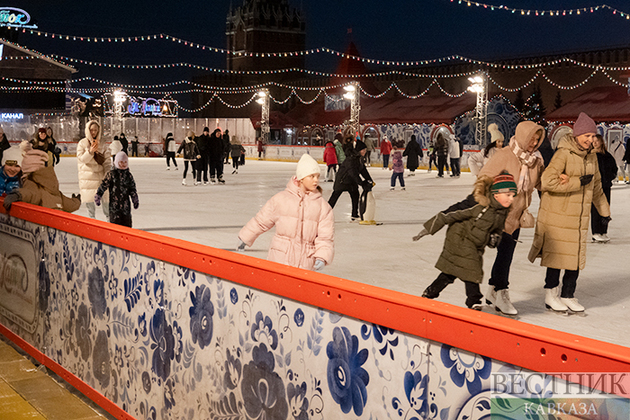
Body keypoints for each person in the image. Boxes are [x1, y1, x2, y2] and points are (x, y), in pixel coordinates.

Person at [528, 112, 611, 313]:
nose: (590, 140)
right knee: (558, 256)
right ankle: (551, 295)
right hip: (559, 214)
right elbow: (547, 182)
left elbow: (597, 186)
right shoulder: (563, 153)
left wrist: (604, 211)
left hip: (579, 215)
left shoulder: (591, 157)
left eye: (593, 136)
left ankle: (568, 294)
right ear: (577, 135)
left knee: (574, 256)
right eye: (587, 136)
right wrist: (575, 182)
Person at [415, 172, 516, 310]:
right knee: (471, 269)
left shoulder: (502, 211)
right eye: (508, 195)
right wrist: (429, 228)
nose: (511, 199)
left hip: (475, 242)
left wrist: (495, 238)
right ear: (496, 194)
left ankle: (431, 291)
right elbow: (451, 213)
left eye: (513, 195)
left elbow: (497, 228)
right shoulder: (478, 204)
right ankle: (473, 301)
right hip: (459, 236)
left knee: (451, 271)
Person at [478, 120, 545, 316]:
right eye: (531, 138)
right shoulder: (505, 155)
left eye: (537, 139)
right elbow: (483, 178)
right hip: (500, 213)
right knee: (505, 253)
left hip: (517, 216)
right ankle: (501, 292)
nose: (534, 143)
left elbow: (540, 184)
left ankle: (492, 290)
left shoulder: (535, 161)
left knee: (505, 254)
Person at [237, 153, 334, 271]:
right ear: (301, 178)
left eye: (317, 177)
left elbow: (325, 237)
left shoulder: (323, 207)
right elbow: (261, 221)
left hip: (305, 263)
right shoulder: (281, 199)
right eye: (312, 176)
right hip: (279, 258)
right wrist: (245, 237)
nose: (316, 180)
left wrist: (322, 256)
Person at [4, 141, 81, 212]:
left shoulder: (31, 182)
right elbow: (68, 204)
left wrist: (17, 195)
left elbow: (30, 194)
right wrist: (76, 201)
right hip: (57, 220)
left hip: (44, 221)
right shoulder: (52, 186)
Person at [328, 138, 374, 221]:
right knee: (334, 197)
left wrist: (370, 179)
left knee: (355, 196)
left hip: (351, 182)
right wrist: (362, 183)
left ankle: (354, 214)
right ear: (359, 150)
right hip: (342, 180)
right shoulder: (351, 159)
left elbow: (363, 170)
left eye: (365, 150)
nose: (365, 152)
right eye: (363, 150)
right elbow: (352, 173)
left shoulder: (359, 159)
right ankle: (325, 214)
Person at [77, 120, 111, 220]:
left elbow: (107, 161)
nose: (93, 132)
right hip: (87, 177)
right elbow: (82, 159)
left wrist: (108, 172)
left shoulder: (102, 143)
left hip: (100, 177)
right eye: (91, 130)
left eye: (95, 130)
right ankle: (92, 221)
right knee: (90, 202)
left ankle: (109, 220)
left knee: (106, 200)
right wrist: (90, 152)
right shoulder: (82, 143)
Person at [94, 152, 139, 228]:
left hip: (126, 208)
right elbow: (104, 185)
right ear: (117, 162)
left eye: (125, 162)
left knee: (127, 228)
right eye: (121, 162)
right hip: (114, 208)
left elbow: (132, 189)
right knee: (115, 228)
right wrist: (98, 195)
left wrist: (135, 199)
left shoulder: (128, 175)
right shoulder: (112, 174)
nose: (123, 164)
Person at [590, 134, 617, 243]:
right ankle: (596, 232)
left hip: (605, 186)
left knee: (605, 208)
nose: (595, 143)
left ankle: (603, 231)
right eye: (593, 141)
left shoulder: (607, 156)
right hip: (595, 187)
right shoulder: (590, 156)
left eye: (597, 141)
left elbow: (613, 169)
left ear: (601, 142)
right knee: (596, 209)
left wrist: (608, 178)